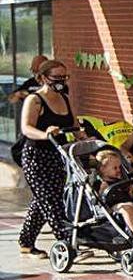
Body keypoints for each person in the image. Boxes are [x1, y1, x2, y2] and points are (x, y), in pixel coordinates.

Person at [17, 60, 82, 258]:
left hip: (58, 154)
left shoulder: (65, 97)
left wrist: (84, 139)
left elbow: (74, 124)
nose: (61, 81)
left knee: (44, 199)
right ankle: (67, 242)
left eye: (64, 77)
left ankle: (26, 242)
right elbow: (26, 128)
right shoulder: (35, 100)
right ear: (44, 77)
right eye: (57, 78)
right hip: (36, 156)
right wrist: (46, 134)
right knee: (51, 201)